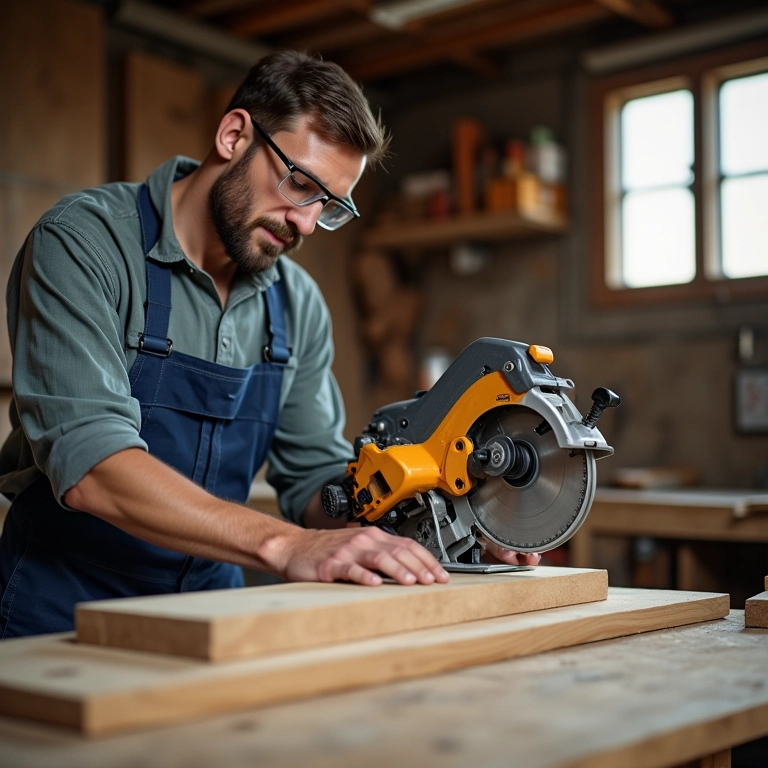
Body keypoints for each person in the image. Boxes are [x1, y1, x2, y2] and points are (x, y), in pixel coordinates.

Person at [0, 51, 538, 638]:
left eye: (328, 207)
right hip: (60, 612)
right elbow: (91, 466)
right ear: (234, 135)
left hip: (212, 616)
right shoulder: (85, 243)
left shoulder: (295, 301)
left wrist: (440, 524)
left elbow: (315, 481)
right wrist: (286, 544)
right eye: (300, 183)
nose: (306, 224)